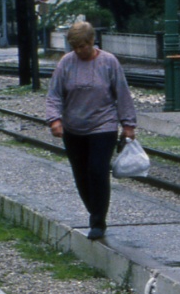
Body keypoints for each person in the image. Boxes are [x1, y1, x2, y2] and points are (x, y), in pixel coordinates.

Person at [45, 20, 138, 241]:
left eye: (83, 46)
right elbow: (54, 94)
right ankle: (94, 208)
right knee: (81, 175)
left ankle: (97, 221)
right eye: (75, 47)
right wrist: (54, 119)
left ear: (92, 41)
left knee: (97, 170)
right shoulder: (66, 64)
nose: (79, 51)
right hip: (74, 129)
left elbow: (122, 94)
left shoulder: (109, 62)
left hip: (103, 125)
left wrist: (128, 125)